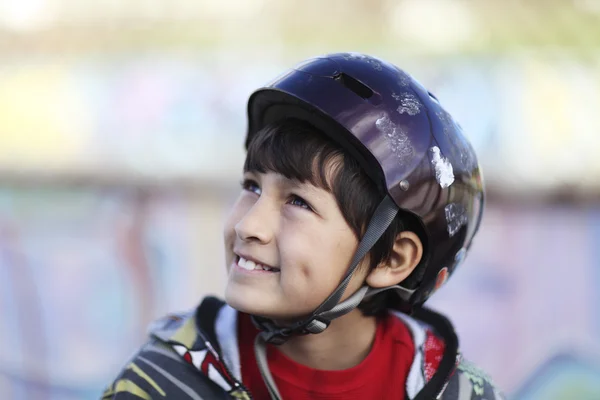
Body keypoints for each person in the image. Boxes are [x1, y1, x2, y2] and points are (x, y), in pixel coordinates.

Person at [103, 52, 504, 400]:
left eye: (297, 202)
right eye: (251, 187)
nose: (248, 225)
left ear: (393, 258)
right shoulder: (161, 383)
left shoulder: (458, 393)